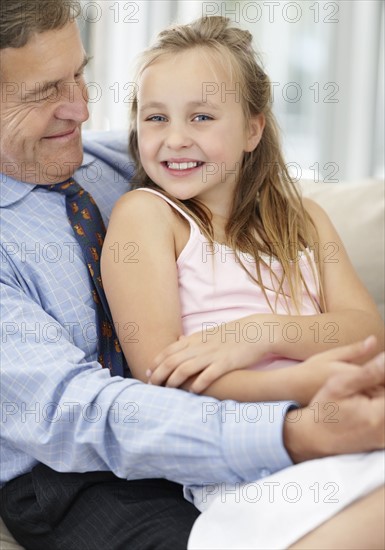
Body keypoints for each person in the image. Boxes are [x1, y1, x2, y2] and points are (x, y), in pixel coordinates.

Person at [0, 2, 383, 549]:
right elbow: (82, 411)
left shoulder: (111, 159)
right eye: (45, 92)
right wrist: (295, 417)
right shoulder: (147, 213)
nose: (82, 110)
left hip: (229, 431)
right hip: (73, 471)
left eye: (80, 75)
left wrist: (269, 339)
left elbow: (226, 163)